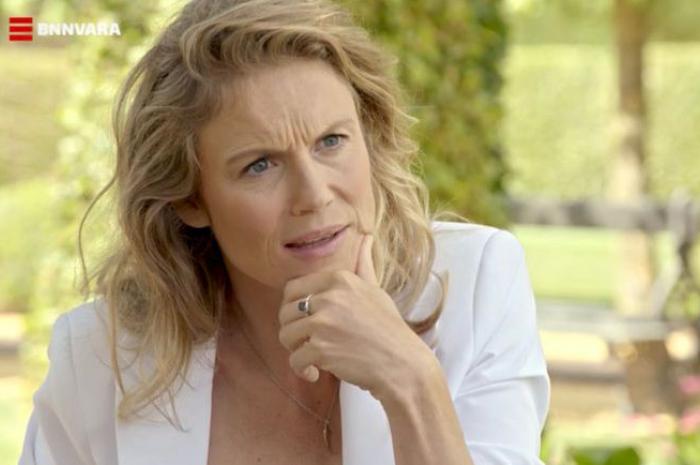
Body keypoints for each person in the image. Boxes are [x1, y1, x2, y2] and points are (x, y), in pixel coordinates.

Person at [18, 0, 550, 464]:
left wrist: (411, 380)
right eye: (260, 165)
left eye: (331, 141)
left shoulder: (477, 285)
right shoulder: (99, 358)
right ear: (189, 199)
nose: (314, 195)